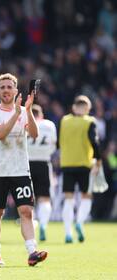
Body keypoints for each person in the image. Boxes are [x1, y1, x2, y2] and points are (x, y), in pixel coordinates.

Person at [0, 73, 47, 267]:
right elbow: (1, 135)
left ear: (15, 90)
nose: (5, 90)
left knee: (26, 211)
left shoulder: (23, 111)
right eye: (2, 87)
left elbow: (35, 134)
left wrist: (27, 110)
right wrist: (17, 114)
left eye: (9, 86)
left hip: (21, 170)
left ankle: (32, 252)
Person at [59, 95, 102, 243]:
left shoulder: (64, 121)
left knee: (68, 199)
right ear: (88, 109)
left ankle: (68, 233)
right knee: (86, 196)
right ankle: (79, 222)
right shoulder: (90, 121)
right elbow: (94, 141)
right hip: (84, 164)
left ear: (74, 107)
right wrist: (99, 160)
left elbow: (59, 142)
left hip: (67, 164)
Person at [27, 104, 57, 241]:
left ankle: (32, 224)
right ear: (42, 115)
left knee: (28, 199)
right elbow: (53, 145)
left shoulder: (25, 122)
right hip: (44, 162)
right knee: (45, 197)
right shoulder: (49, 125)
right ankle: (43, 225)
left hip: (26, 164)